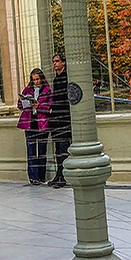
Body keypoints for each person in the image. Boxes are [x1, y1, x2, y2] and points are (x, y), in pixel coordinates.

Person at [18, 67, 54, 186]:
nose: (36, 82)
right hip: (30, 123)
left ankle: (41, 175)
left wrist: (38, 106)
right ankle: (33, 177)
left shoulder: (47, 90)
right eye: (34, 80)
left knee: (42, 151)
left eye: (38, 79)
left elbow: (49, 108)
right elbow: (20, 106)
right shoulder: (28, 90)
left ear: (42, 79)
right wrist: (22, 101)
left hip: (42, 123)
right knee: (31, 151)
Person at [48, 52, 77, 188]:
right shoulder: (56, 79)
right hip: (56, 117)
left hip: (64, 117)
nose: (55, 64)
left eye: (57, 61)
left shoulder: (66, 78)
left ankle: (63, 175)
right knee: (57, 148)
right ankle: (58, 174)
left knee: (63, 148)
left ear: (63, 63)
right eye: (54, 61)